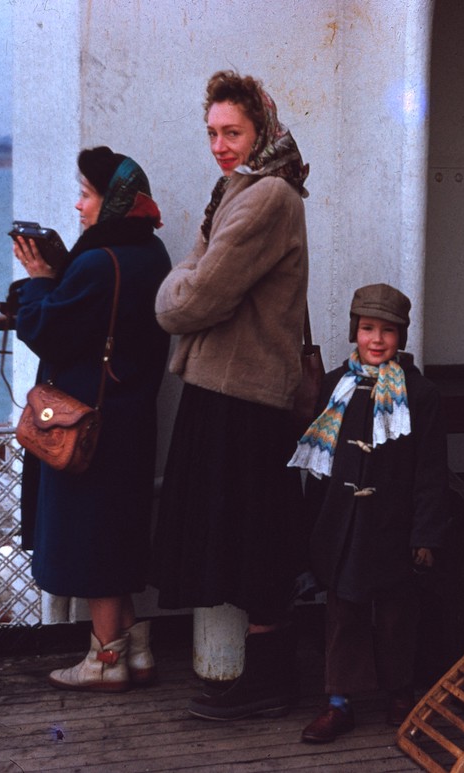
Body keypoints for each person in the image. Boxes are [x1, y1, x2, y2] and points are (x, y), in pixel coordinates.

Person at [152, 70, 310, 720]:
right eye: (213, 131)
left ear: (260, 130)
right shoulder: (236, 188)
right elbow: (194, 279)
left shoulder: (266, 196)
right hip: (227, 391)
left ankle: (270, 681)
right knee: (241, 537)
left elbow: (188, 299)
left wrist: (171, 290)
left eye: (232, 131)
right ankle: (260, 678)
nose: (219, 144)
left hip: (245, 399)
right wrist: (184, 280)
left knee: (253, 540)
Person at [13, 147, 171, 692]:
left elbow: (48, 328)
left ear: (113, 203)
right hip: (130, 417)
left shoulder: (99, 260)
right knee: (118, 530)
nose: (78, 206)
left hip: (86, 425)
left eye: (86, 194)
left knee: (93, 536)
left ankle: (105, 661)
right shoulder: (151, 252)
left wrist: (37, 278)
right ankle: (137, 648)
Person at [288, 283, 449, 744]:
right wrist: (312, 532)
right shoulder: (336, 386)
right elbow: (319, 464)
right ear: (354, 331)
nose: (376, 340)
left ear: (402, 335)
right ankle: (339, 701)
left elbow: (431, 470)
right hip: (343, 525)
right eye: (367, 328)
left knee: (398, 612)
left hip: (395, 525)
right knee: (343, 612)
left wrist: (426, 534)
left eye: (388, 331)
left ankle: (400, 692)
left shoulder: (420, 394)